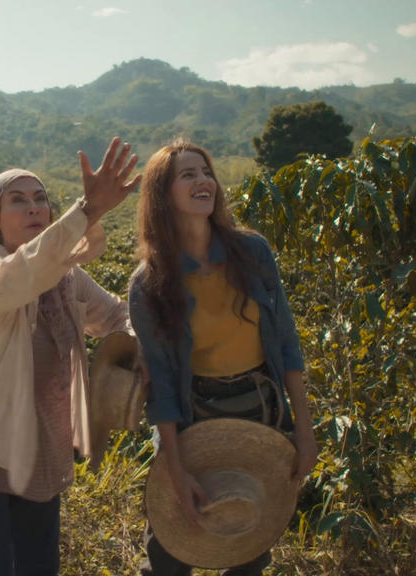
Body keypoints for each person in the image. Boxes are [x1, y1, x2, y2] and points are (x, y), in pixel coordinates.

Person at [0, 138, 143, 576]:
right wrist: (88, 210)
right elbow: (29, 269)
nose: (34, 208)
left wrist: (129, 347)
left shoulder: (67, 278)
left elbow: (116, 315)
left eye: (40, 200)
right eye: (18, 201)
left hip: (42, 460)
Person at [128, 140, 320, 576]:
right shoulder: (151, 281)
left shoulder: (252, 253)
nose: (203, 181)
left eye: (206, 172)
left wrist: (304, 431)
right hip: (194, 414)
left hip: (261, 410)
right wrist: (174, 469)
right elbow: (159, 383)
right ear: (163, 194)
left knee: (248, 537)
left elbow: (287, 345)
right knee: (172, 546)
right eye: (188, 174)